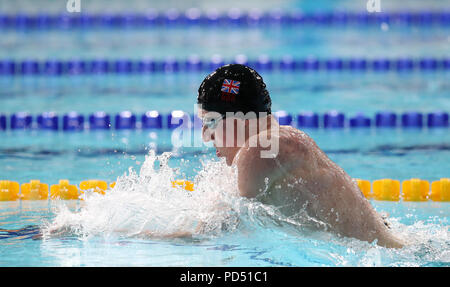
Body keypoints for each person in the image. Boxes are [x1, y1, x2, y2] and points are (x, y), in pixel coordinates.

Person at [197, 64, 405, 248]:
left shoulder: (259, 150)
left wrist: (164, 240)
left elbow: (211, 233)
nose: (206, 136)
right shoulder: (282, 141)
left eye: (211, 122)